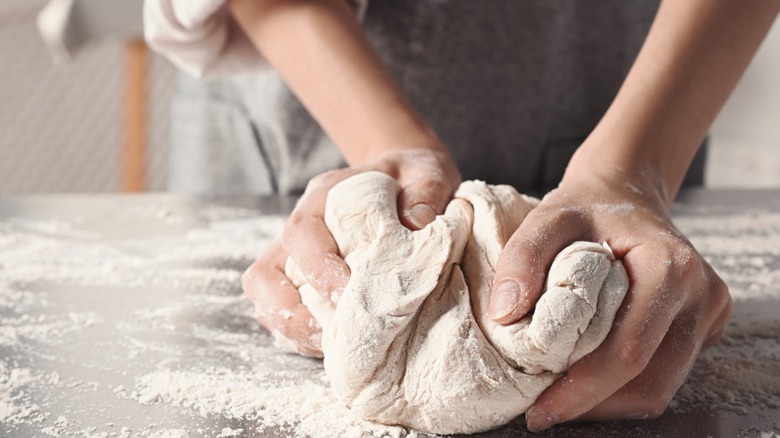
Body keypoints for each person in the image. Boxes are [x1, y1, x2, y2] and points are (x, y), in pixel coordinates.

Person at [144, 0, 780, 431]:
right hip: (301, 87)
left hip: (638, 84)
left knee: (628, 321)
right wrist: (382, 146)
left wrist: (631, 172)